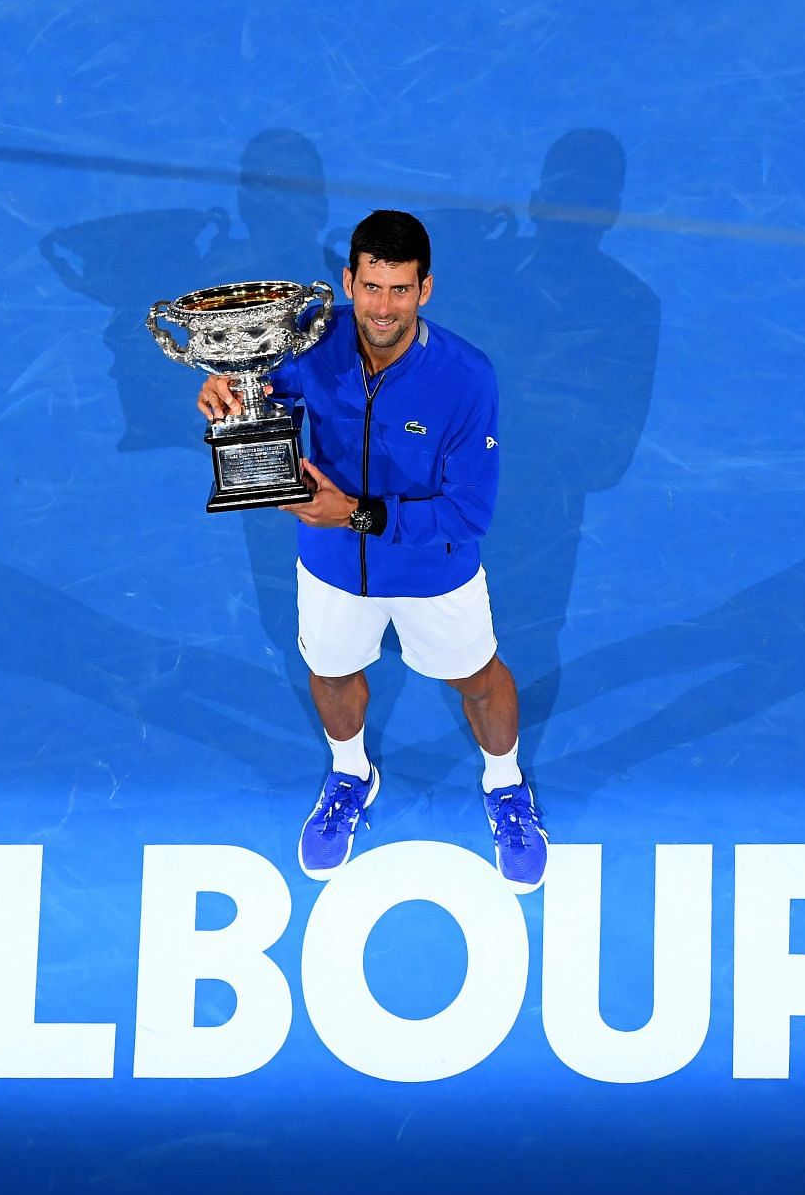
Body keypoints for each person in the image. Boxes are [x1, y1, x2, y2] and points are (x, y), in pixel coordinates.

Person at [196, 209, 549, 892]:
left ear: (426, 290)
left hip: (432, 572)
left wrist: (354, 512)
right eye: (371, 287)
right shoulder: (308, 346)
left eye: (400, 290)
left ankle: (505, 785)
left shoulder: (467, 378)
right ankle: (350, 771)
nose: (382, 308)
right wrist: (228, 392)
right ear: (348, 281)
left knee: (478, 679)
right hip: (331, 566)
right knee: (330, 673)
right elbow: (266, 395)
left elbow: (469, 513)